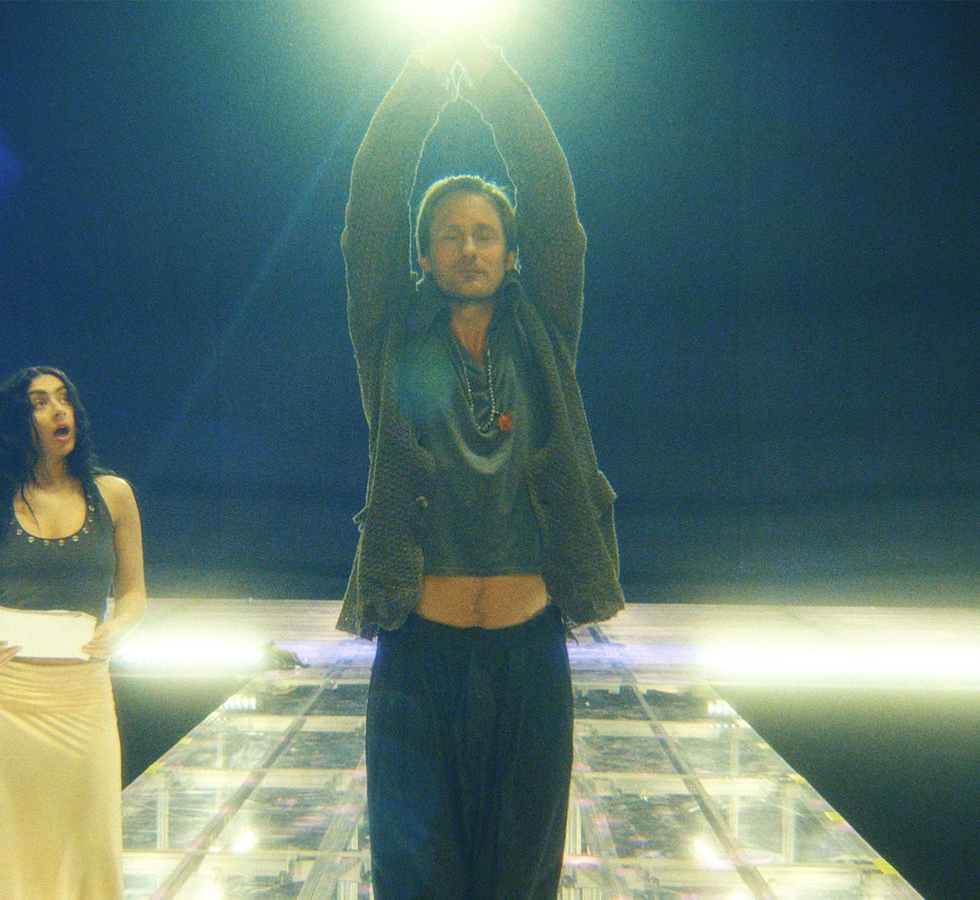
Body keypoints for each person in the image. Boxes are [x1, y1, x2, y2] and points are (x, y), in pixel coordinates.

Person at [340, 36, 625, 899]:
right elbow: (370, 207)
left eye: (487, 234)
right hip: (417, 655)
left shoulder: (546, 333)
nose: (470, 248)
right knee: (414, 878)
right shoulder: (391, 336)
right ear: (424, 256)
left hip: (528, 657)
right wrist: (423, 78)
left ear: (512, 251)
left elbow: (553, 198)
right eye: (450, 235)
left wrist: (496, 78)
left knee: (521, 880)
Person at [0, 365, 145, 899]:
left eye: (64, 398)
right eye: (40, 402)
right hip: (2, 701)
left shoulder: (114, 494)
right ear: (17, 421)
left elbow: (133, 594)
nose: (59, 410)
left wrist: (119, 628)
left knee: (87, 841)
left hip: (82, 700)